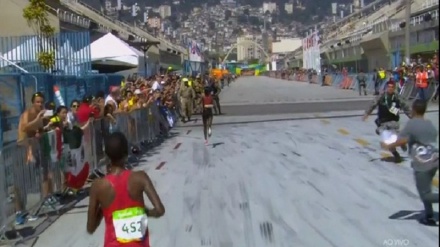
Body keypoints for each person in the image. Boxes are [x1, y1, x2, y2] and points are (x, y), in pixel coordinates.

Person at [87, 132, 165, 246]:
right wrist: (146, 212)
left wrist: (102, 208)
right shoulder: (140, 177)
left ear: (107, 155)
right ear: (127, 152)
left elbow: (90, 228)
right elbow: (159, 210)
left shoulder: (98, 186)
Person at [380, 100, 438, 226]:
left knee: (425, 195)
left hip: (423, 164)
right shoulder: (430, 124)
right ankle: (429, 216)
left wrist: (388, 145)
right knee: (425, 189)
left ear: (414, 110)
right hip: (434, 161)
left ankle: (429, 215)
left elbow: (401, 140)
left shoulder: (412, 124)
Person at [362, 80, 412, 163]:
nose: (390, 89)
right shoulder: (381, 97)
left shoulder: (397, 97)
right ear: (386, 88)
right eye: (389, 87)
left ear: (394, 88)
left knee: (395, 137)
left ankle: (401, 142)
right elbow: (372, 105)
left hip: (393, 122)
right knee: (387, 141)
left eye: (392, 87)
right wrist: (366, 113)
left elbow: (406, 108)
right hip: (383, 123)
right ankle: (396, 154)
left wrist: (413, 117)